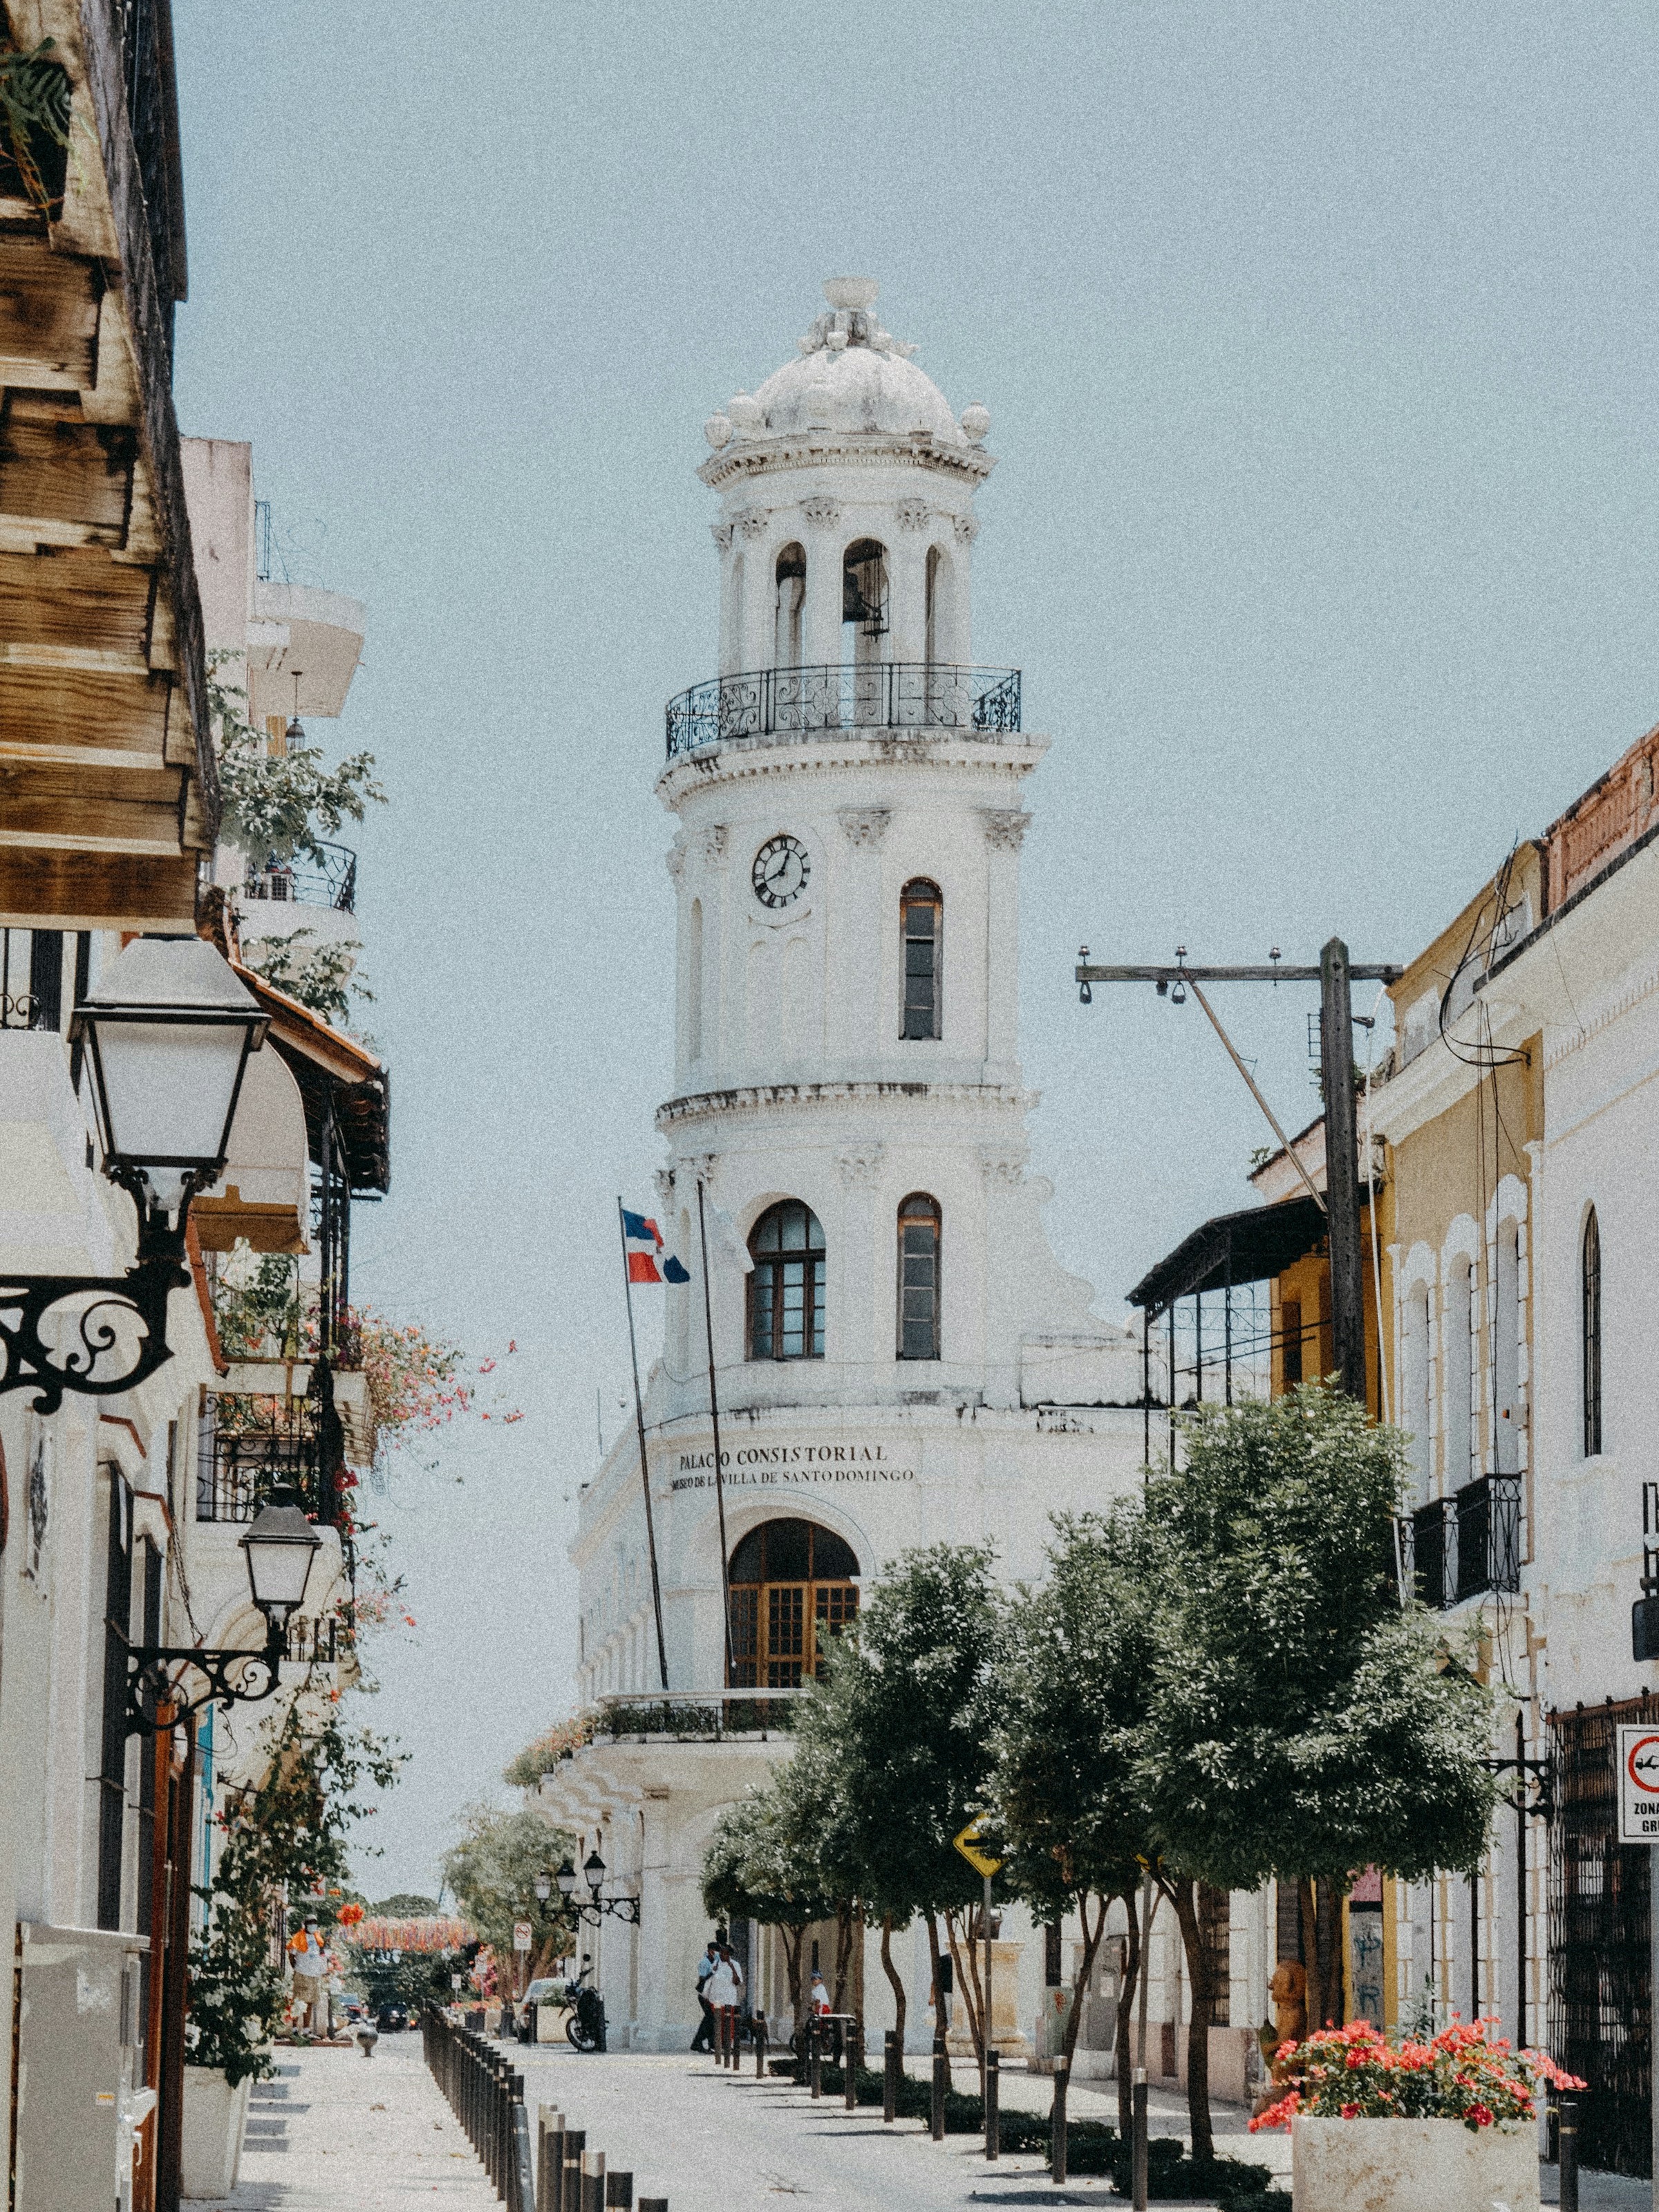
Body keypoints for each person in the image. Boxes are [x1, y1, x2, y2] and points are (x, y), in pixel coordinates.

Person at [286, 1918, 328, 2034]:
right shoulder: (298, 1937)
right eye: (310, 1923)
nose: (313, 1926)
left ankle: (306, 2029)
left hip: (314, 1974)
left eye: (315, 1923)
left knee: (310, 2002)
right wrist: (296, 1968)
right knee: (298, 2001)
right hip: (302, 1973)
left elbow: (321, 1953)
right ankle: (295, 2028)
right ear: (305, 1925)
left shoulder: (317, 1937)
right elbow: (291, 1955)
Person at [702, 1943, 744, 2062]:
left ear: (729, 1955)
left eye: (725, 1953)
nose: (722, 1955)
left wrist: (732, 1967)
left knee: (729, 2022)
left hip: (729, 1999)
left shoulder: (736, 1965)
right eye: (721, 1953)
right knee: (717, 2021)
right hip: (715, 1998)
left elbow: (737, 1982)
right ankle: (717, 2045)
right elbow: (710, 1979)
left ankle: (728, 2044)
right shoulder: (716, 1964)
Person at [690, 1939, 719, 2053]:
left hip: (713, 1994)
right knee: (710, 2018)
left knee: (711, 2019)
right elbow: (702, 1979)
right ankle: (697, 2042)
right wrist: (712, 1972)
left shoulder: (715, 1961)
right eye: (715, 1951)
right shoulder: (704, 1963)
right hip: (704, 1995)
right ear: (710, 1951)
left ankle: (709, 2044)